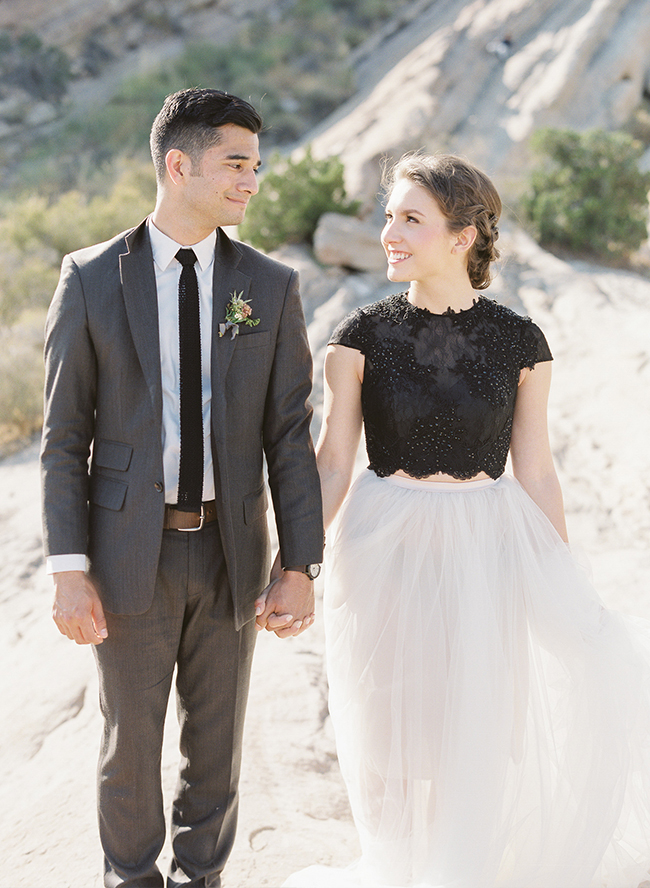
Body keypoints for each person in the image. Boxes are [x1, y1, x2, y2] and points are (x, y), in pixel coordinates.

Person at [282, 153, 650, 887]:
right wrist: (297, 566)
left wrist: (560, 578)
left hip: (487, 540)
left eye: (409, 218)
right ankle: (395, 870)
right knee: (386, 724)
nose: (389, 232)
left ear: (462, 235)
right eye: (388, 216)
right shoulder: (360, 336)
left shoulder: (522, 342)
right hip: (381, 541)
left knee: (472, 726)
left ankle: (459, 873)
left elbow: (536, 470)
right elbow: (332, 464)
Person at [40, 87, 324, 888]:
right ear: (178, 164)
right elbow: (64, 440)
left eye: (257, 166)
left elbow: (287, 435)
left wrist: (300, 562)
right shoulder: (93, 277)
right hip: (129, 553)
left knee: (218, 751)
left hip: (232, 552)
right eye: (237, 163)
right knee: (129, 747)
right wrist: (68, 568)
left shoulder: (268, 285)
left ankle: (204, 879)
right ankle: (128, 880)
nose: (252, 182)